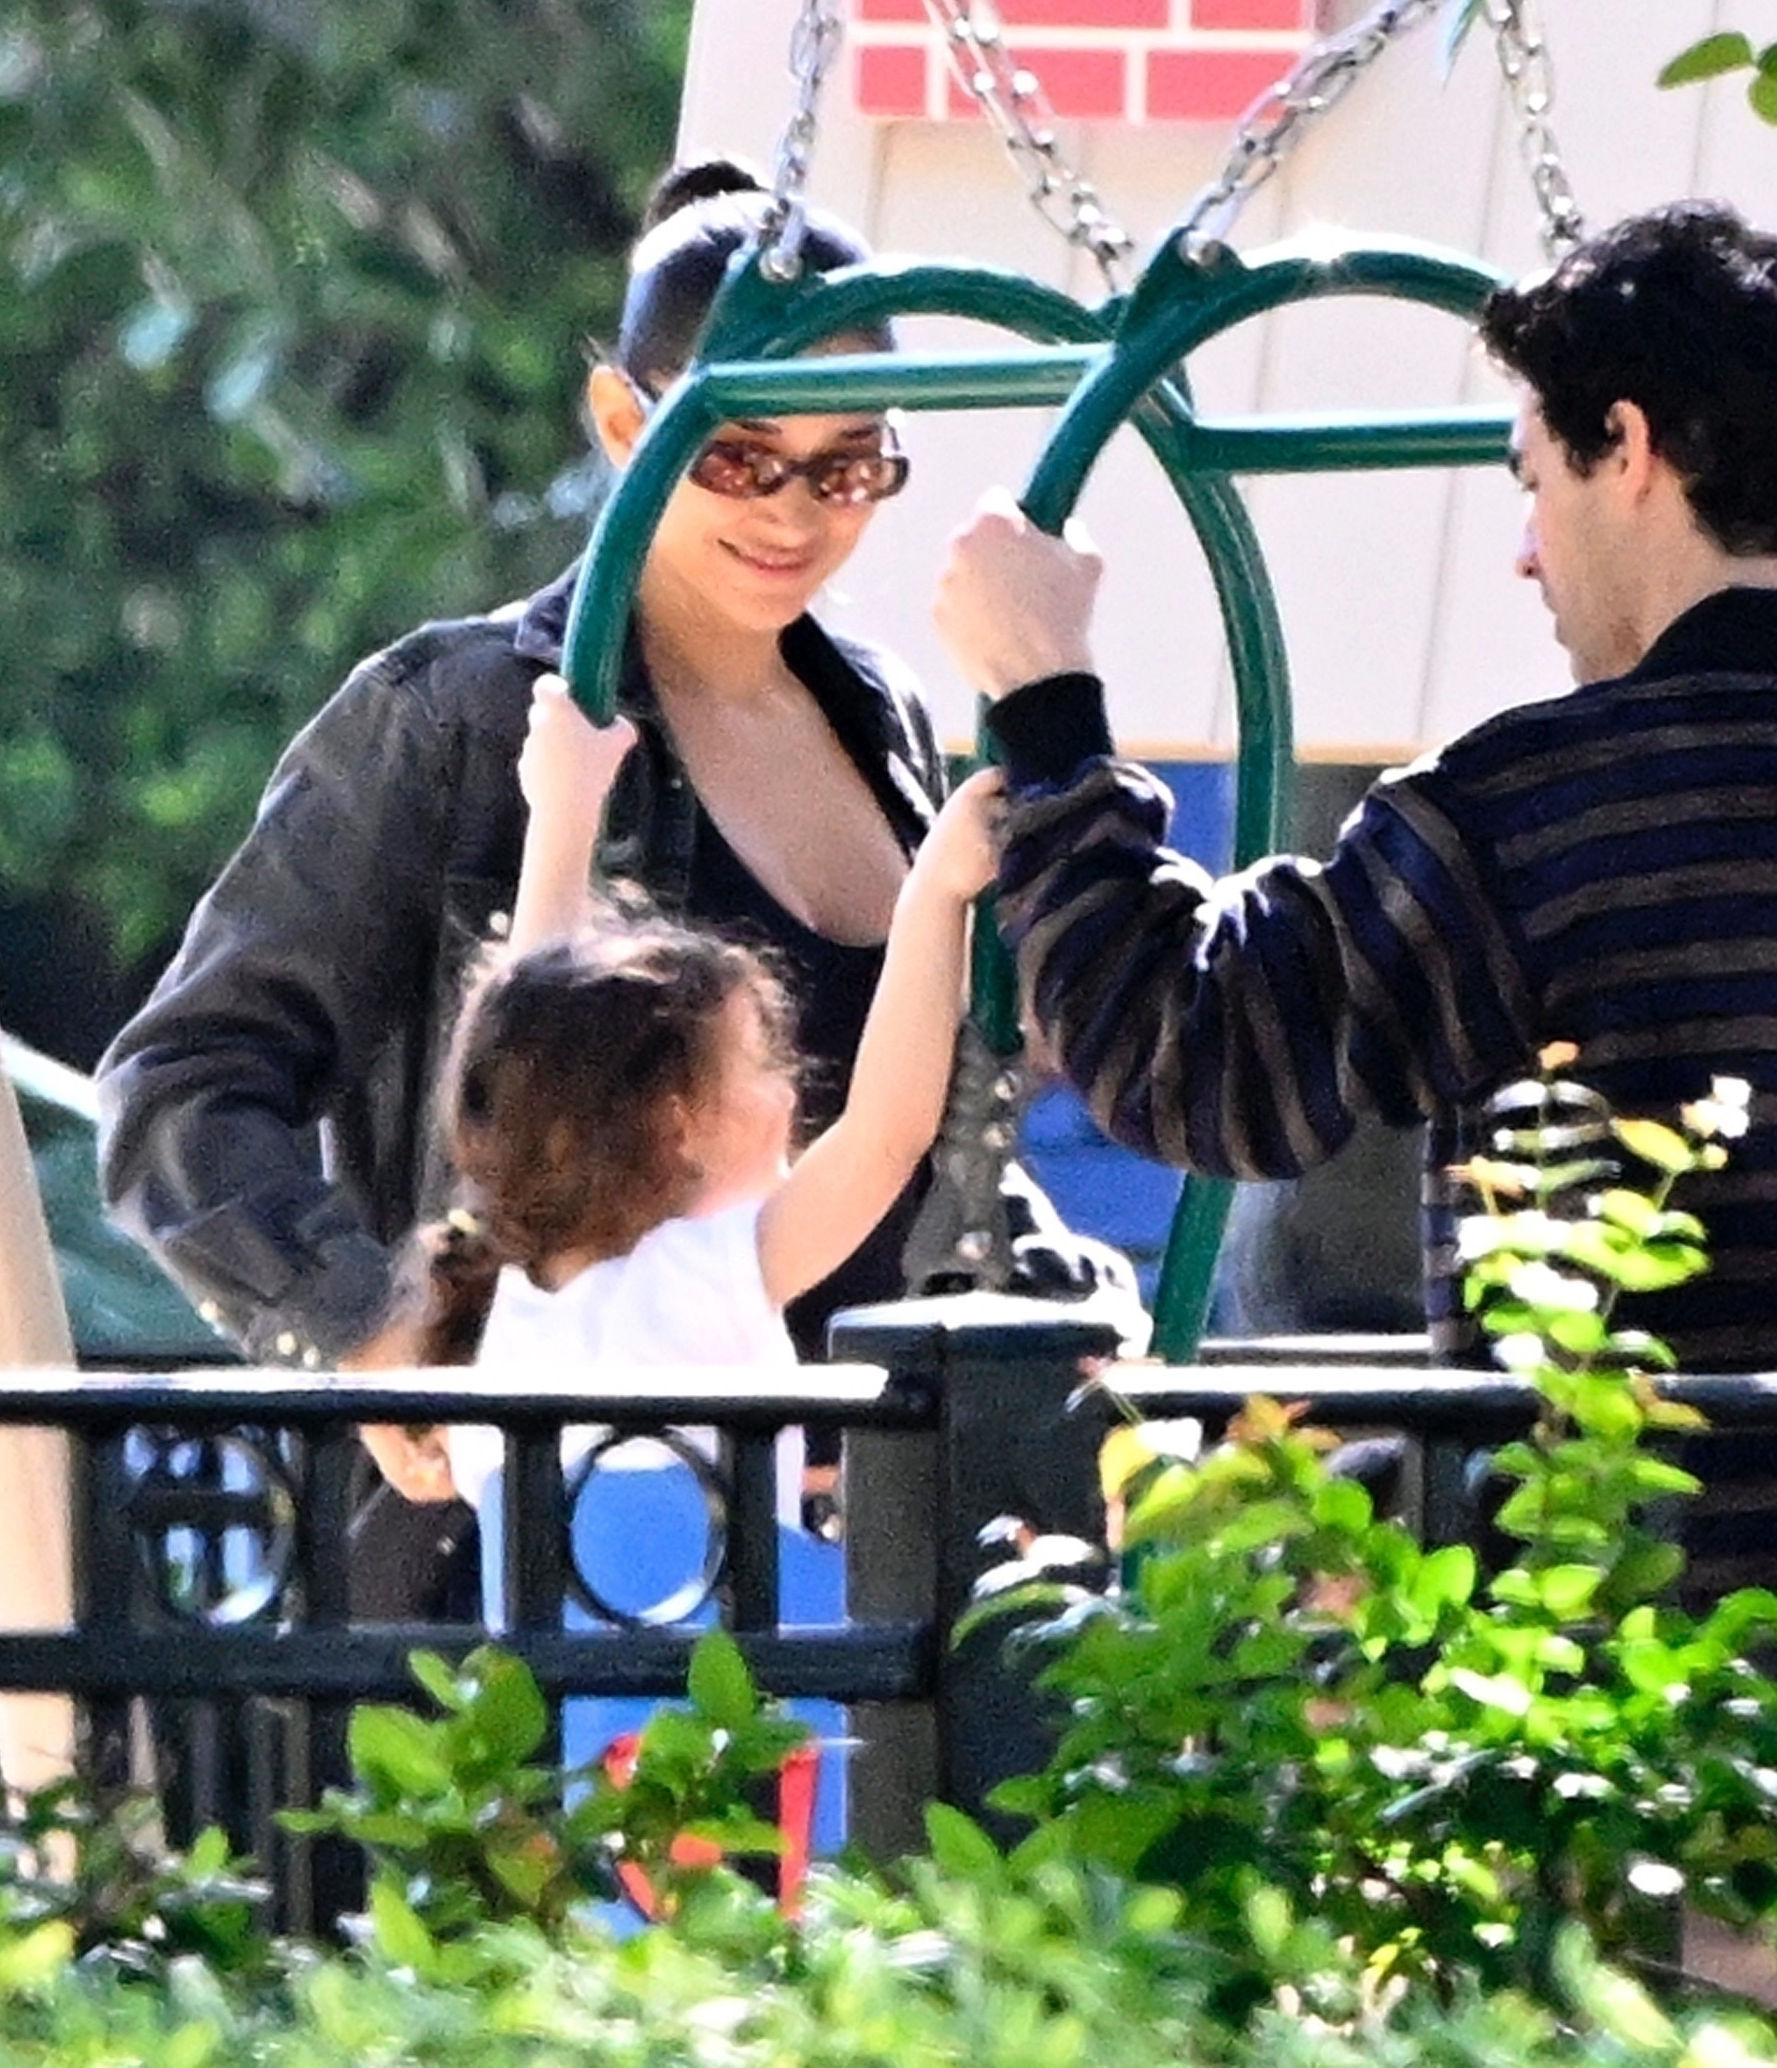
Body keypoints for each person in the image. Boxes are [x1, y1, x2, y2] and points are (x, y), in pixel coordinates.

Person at [933, 200, 1777, 1592]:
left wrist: (1046, 708)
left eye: (1534, 480)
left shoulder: (1538, 805)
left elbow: (1190, 1062)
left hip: (1627, 1709)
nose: (1527, 548)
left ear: (1630, 451)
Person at [97, 158, 1112, 1612]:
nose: (794, 514)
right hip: (534, 1562)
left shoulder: (878, 720)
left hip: (864, 1557)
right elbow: (178, 1086)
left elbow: (918, 1141)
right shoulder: (459, 715)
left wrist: (1052, 1306)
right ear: (624, 420)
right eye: (740, 458)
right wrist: (376, 1329)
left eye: (847, 468)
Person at [352, 677, 1003, 1522]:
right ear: (679, 1123)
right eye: (762, 1062)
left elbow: (537, 1039)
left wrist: (565, 807)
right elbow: (886, 1131)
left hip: (542, 1655)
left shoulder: (516, 1298)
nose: (792, 1090)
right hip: (718, 1654)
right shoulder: (703, 1278)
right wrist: (936, 893)